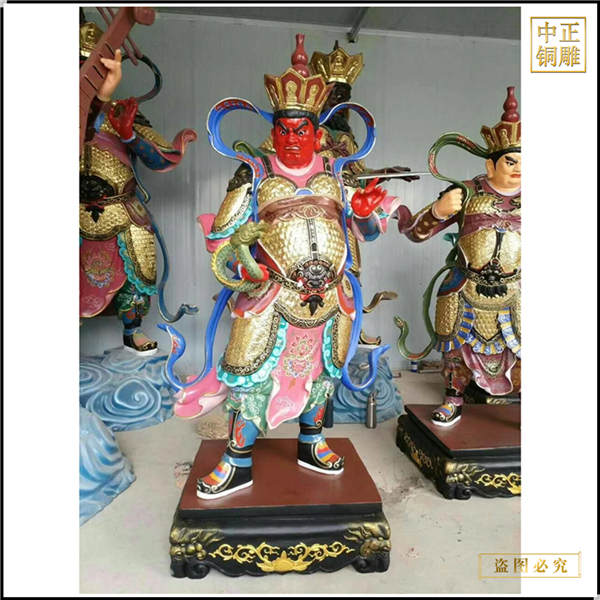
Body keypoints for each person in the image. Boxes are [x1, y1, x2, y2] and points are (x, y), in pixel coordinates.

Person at [163, 35, 402, 499]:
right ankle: (237, 461)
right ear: (272, 132)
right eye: (284, 130)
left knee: (323, 374)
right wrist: (240, 247)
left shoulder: (338, 173)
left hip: (331, 297)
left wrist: (367, 214)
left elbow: (368, 231)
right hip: (271, 296)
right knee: (250, 375)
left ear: (317, 132)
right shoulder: (253, 173)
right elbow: (219, 239)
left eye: (301, 130)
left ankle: (312, 443)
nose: (293, 139)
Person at [397, 87, 521, 426]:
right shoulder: (466, 192)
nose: (519, 169)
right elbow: (415, 232)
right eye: (511, 161)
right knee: (456, 348)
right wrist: (438, 210)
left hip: (518, 289)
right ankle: (453, 399)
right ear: (491, 164)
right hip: (466, 286)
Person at [79, 18, 196, 355]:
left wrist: (129, 134)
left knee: (139, 265)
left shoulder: (121, 113)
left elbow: (161, 159)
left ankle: (132, 330)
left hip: (123, 207)